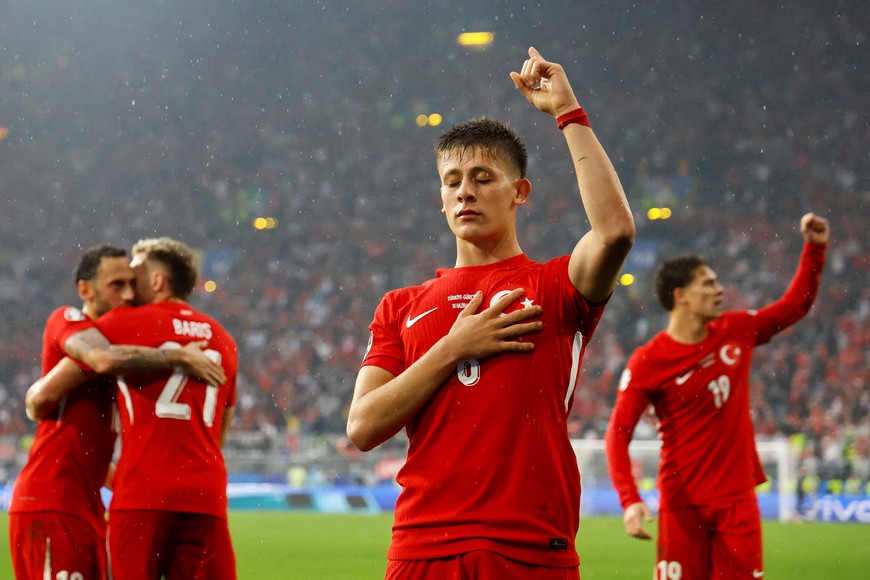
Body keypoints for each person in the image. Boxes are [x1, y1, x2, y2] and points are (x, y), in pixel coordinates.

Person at [347, 47, 635, 578]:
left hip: (528, 547)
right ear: (440, 198)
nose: (465, 192)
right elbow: (362, 426)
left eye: (483, 177)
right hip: (421, 547)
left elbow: (615, 232)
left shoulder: (554, 285)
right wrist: (454, 347)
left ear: (519, 192)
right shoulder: (400, 306)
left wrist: (568, 114)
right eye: (452, 180)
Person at [604, 213, 829, 579]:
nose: (719, 289)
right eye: (707, 284)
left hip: (736, 500)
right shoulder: (648, 360)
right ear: (681, 297)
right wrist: (630, 501)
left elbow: (795, 305)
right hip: (682, 503)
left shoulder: (736, 330)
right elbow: (617, 434)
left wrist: (815, 249)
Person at [26, 237, 239, 580]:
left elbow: (46, 392)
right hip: (206, 495)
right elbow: (220, 434)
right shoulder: (223, 339)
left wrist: (36, 397)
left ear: (156, 281)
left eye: (134, 276)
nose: (127, 291)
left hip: (143, 496)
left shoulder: (124, 324)